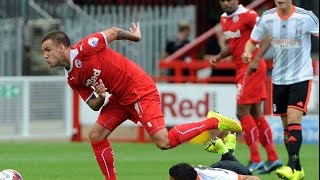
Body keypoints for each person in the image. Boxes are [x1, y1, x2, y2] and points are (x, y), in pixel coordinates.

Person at [40, 22, 242, 180]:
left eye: (47, 50)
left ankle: (213, 122)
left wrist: (134, 37)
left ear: (61, 47)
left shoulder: (85, 48)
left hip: (138, 89)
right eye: (44, 52)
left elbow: (112, 32)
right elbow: (93, 104)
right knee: (96, 135)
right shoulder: (71, 77)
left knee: (163, 142)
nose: (45, 56)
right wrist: (101, 96)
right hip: (119, 98)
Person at [242, 0, 319, 179]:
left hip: (301, 77)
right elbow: (253, 41)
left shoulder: (306, 17)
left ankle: (291, 166)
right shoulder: (267, 18)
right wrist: (247, 52)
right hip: (278, 79)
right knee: (286, 127)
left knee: (293, 119)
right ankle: (297, 169)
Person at [208, 0, 282, 174]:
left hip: (251, 67)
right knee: (255, 113)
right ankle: (272, 157)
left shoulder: (249, 15)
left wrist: (256, 59)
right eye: (222, 0)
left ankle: (256, 160)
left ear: (237, 0)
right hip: (242, 68)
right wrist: (219, 56)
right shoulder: (224, 19)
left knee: (242, 111)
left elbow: (267, 35)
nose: (225, 3)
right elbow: (233, 44)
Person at [169, 132, 261, 180]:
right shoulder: (186, 174)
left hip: (236, 170)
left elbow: (254, 178)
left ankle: (223, 149)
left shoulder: (221, 178)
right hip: (218, 168)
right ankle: (228, 149)